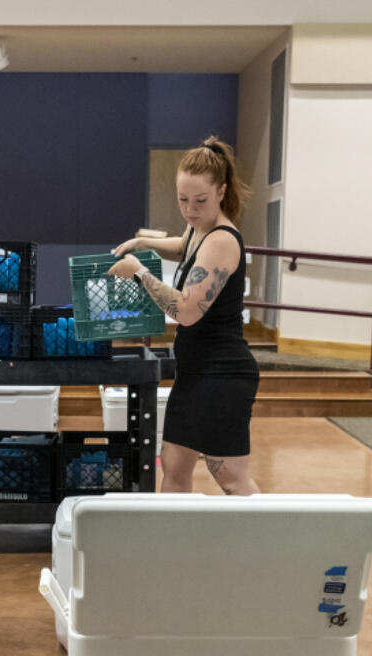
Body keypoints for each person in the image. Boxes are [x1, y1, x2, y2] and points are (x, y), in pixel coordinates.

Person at [108, 136, 260, 495]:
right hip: (195, 371)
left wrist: (141, 273)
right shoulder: (199, 227)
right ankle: (173, 547)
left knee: (229, 477)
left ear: (221, 192)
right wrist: (143, 243)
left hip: (223, 373)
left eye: (200, 201)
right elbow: (183, 245)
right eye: (183, 200)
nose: (190, 210)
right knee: (173, 466)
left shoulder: (222, 240)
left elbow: (187, 311)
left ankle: (272, 548)